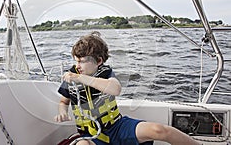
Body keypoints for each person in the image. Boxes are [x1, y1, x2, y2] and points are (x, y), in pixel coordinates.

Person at [54, 31, 200, 145]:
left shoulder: (104, 74)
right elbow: (64, 102)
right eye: (76, 61)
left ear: (98, 61)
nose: (77, 66)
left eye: (82, 61)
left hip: (117, 127)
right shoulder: (72, 77)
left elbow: (115, 89)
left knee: (159, 130)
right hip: (90, 136)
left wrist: (81, 78)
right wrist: (62, 112)